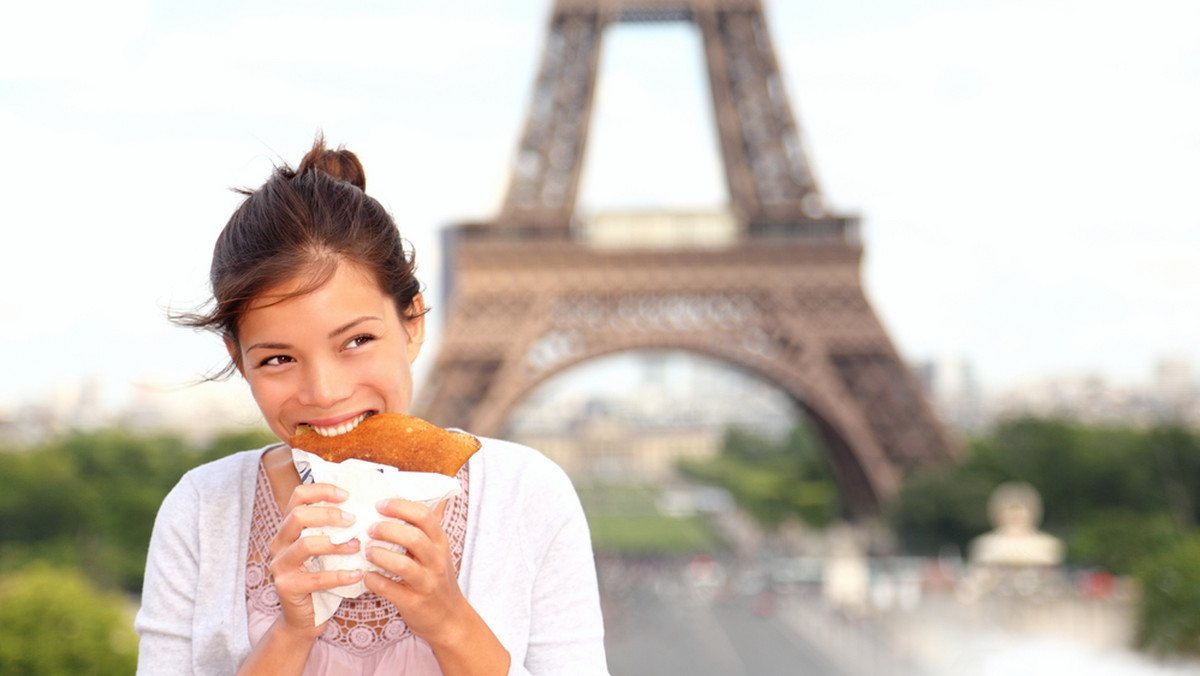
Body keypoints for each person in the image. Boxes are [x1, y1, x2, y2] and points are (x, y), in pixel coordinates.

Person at [135, 136, 610, 675]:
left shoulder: (525, 495)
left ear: (412, 323)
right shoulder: (202, 511)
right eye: (277, 359)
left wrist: (450, 620)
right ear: (239, 360)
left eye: (357, 341)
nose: (325, 391)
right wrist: (292, 631)